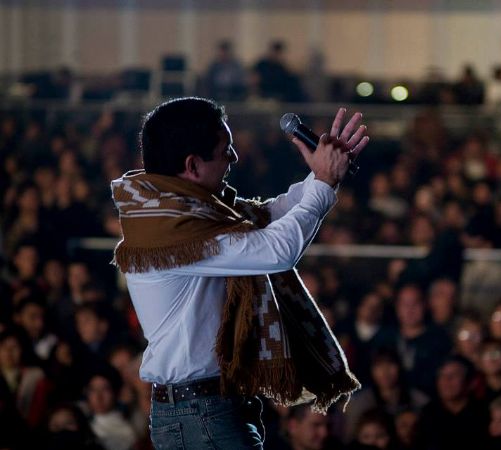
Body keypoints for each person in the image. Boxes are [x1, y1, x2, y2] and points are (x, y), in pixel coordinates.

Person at [110, 97, 368, 448]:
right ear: (192, 165)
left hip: (207, 409)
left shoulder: (177, 211)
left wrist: (322, 176)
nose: (234, 158)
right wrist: (322, 181)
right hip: (201, 414)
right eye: (224, 151)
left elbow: (267, 218)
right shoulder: (176, 234)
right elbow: (276, 250)